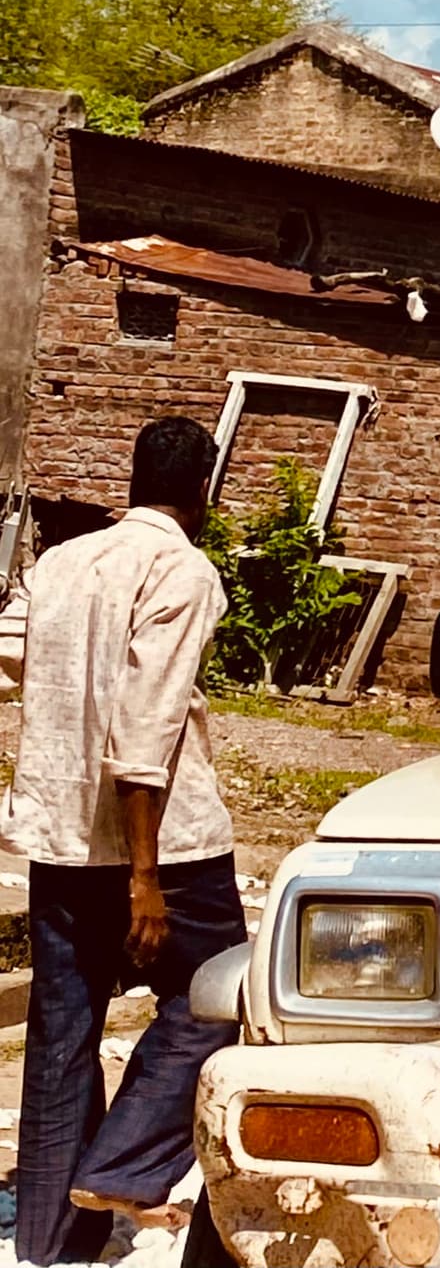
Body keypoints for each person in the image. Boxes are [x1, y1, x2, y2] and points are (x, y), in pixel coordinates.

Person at [0, 417, 244, 1264]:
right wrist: (144, 877)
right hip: (165, 848)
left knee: (63, 1031)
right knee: (224, 996)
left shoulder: (61, 562)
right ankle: (130, 1165)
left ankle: (52, 1240)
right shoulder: (184, 568)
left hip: (61, 835)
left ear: (134, 478)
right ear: (201, 488)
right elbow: (147, 733)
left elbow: (14, 656)